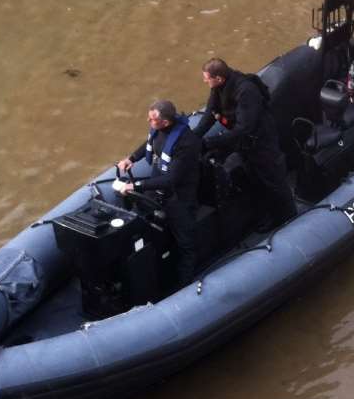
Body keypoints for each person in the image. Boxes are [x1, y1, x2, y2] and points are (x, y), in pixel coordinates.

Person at [194, 58, 297, 232]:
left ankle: (288, 216)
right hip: (244, 144)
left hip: (261, 141)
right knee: (255, 178)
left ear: (218, 78)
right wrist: (193, 139)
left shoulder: (246, 91)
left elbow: (244, 128)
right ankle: (268, 213)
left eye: (207, 78)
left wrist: (209, 143)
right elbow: (209, 116)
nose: (205, 81)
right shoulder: (218, 89)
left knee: (273, 180)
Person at [117, 100, 201, 286]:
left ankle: (185, 283)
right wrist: (131, 158)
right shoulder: (158, 130)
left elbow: (172, 180)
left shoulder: (186, 143)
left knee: (186, 243)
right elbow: (150, 143)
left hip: (179, 196)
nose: (148, 120)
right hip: (157, 187)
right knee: (145, 222)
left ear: (165, 122)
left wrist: (136, 185)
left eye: (152, 119)